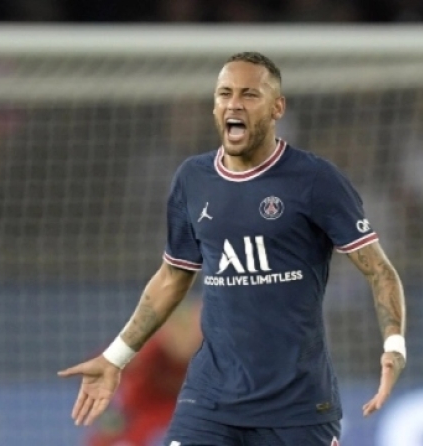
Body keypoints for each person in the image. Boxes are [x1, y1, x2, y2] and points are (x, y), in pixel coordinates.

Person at [59, 52, 407, 446]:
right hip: (210, 400)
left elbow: (379, 269)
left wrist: (394, 344)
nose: (234, 104)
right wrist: (115, 357)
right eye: (225, 93)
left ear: (277, 108)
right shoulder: (192, 179)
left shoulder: (315, 179)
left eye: (249, 94)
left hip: (296, 402)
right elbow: (173, 277)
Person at [86, 301, 202, 446]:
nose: (186, 340)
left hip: (181, 414)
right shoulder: (144, 352)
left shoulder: (209, 357)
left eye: (192, 333)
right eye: (180, 332)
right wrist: (107, 414)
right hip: (138, 414)